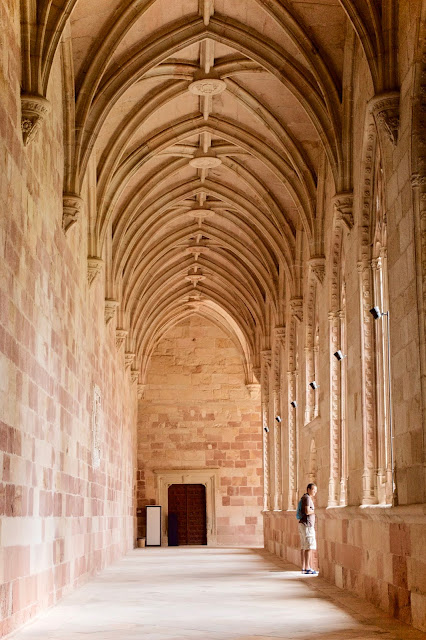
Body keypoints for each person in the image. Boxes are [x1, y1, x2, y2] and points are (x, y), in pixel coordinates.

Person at [298, 483, 318, 575]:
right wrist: (316, 511)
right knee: (309, 547)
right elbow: (307, 511)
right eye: (313, 490)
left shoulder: (304, 497)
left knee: (304, 546)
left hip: (304, 524)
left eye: (315, 490)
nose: (315, 492)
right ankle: (308, 568)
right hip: (307, 525)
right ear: (308, 489)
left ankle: (304, 567)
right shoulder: (307, 498)